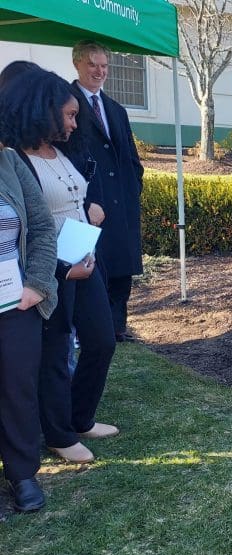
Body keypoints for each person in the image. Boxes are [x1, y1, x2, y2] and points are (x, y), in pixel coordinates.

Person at [1, 69, 118, 465]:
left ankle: (80, 417)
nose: (73, 124)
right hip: (50, 272)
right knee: (54, 353)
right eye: (68, 115)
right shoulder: (15, 159)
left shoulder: (62, 151)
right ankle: (59, 434)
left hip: (84, 261)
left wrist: (90, 210)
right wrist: (59, 272)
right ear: (43, 110)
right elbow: (30, 223)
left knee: (101, 340)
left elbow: (72, 199)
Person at [0, 77, 59, 511]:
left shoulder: (11, 164)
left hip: (13, 301)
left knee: (18, 386)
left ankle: (22, 474)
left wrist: (37, 284)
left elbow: (40, 226)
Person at [70, 40, 144, 343]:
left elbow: (130, 157)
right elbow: (65, 156)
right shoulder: (64, 103)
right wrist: (86, 201)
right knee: (92, 267)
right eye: (92, 64)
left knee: (121, 268)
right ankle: (90, 330)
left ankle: (117, 327)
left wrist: (133, 188)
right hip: (89, 204)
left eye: (104, 65)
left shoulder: (115, 109)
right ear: (77, 64)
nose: (99, 71)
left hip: (121, 201)